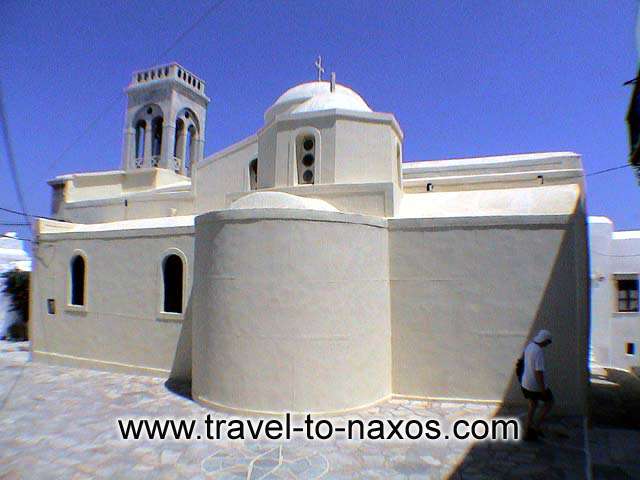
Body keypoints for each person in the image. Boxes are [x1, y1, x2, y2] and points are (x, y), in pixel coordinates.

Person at [520, 329, 554, 441]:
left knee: (532, 406)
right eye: (548, 342)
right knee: (549, 403)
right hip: (535, 386)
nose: (548, 344)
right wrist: (542, 389)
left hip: (526, 383)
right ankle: (535, 427)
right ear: (544, 341)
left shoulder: (530, 346)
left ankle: (527, 430)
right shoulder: (539, 351)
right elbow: (538, 372)